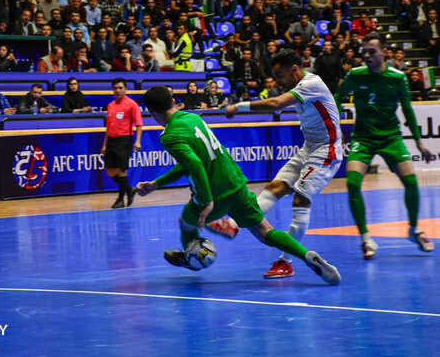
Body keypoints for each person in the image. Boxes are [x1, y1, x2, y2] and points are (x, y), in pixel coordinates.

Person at [136, 85, 341, 285]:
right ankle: (306, 256)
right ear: (174, 102)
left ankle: (194, 260)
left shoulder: (169, 135)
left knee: (186, 223)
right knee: (264, 231)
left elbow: (195, 164)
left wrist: (207, 201)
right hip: (236, 182)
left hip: (213, 193)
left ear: (151, 112)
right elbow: (190, 163)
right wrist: (156, 184)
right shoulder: (193, 118)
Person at [220, 49, 343, 279]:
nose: (278, 82)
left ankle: (286, 261)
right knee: (276, 187)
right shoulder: (300, 87)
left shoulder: (311, 83)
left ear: (294, 70)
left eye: (280, 77)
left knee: (300, 199)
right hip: (309, 147)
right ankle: (233, 225)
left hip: (326, 151)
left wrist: (238, 107)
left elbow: (276, 104)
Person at [334, 32, 434, 259]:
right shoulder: (356, 75)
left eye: (371, 51)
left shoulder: (398, 77)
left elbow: (408, 109)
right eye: (364, 52)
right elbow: (336, 98)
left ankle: (413, 229)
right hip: (363, 138)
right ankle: (366, 238)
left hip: (391, 137)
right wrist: (336, 128)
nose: (367, 56)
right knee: (352, 183)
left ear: (384, 53)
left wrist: (420, 143)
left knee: (410, 181)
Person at [101, 77, 143, 208]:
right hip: (112, 140)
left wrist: (138, 141)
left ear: (126, 89)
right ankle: (129, 190)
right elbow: (108, 127)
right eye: (115, 88)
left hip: (125, 139)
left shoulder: (132, 104)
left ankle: (120, 200)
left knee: (122, 170)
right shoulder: (111, 106)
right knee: (111, 171)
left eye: (120, 88)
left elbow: (139, 124)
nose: (118, 90)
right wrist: (105, 144)